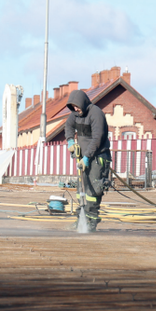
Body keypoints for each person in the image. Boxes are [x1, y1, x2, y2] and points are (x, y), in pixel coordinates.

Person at [64, 89, 111, 232]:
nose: (75, 109)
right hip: (82, 159)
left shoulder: (96, 113)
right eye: (73, 107)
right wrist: (70, 141)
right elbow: (68, 126)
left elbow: (97, 138)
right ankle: (81, 219)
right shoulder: (75, 115)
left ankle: (91, 221)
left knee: (93, 190)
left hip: (97, 158)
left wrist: (87, 157)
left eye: (77, 106)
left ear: (82, 103)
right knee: (81, 190)